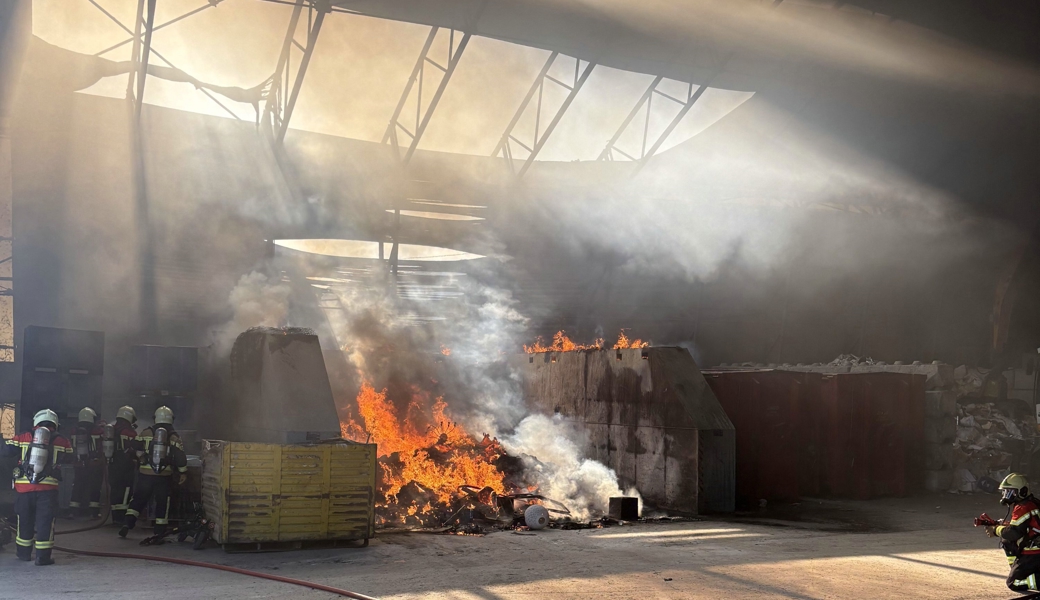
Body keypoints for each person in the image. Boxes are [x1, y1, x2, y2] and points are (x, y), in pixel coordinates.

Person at [4, 408, 72, 565]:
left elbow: (7, 451)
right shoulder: (62, 440)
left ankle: (23, 554)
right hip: (47, 491)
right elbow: (70, 458)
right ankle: (42, 557)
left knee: (24, 520)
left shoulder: (23, 436)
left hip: (24, 490)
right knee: (45, 522)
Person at [120, 406, 187, 541]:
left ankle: (127, 523)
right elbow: (180, 457)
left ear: (155, 418)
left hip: (145, 475)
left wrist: (140, 457)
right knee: (163, 503)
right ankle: (159, 532)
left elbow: (133, 447)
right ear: (171, 419)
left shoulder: (146, 433)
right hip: (164, 477)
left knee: (138, 500)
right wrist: (183, 472)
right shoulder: (174, 437)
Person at [985, 473, 1040, 592]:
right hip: (1035, 549)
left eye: (1010, 492)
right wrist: (1003, 525)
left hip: (1034, 552)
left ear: (1022, 492)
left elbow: (1014, 533)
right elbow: (1023, 526)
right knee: (1006, 539)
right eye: (1005, 492)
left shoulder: (1022, 507)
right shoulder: (1033, 502)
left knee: (1013, 582)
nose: (1006, 496)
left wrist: (995, 530)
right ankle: (1019, 568)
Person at [68, 407, 104, 518]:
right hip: (95, 464)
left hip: (79, 464)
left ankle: (73, 511)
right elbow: (102, 447)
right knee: (95, 487)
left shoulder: (75, 431)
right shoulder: (98, 431)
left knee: (78, 486)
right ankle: (94, 512)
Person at [108, 406, 138, 525]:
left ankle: (115, 517)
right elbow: (135, 447)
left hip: (112, 463)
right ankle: (121, 518)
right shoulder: (129, 432)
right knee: (126, 490)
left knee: (115, 489)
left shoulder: (112, 429)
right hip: (125, 465)